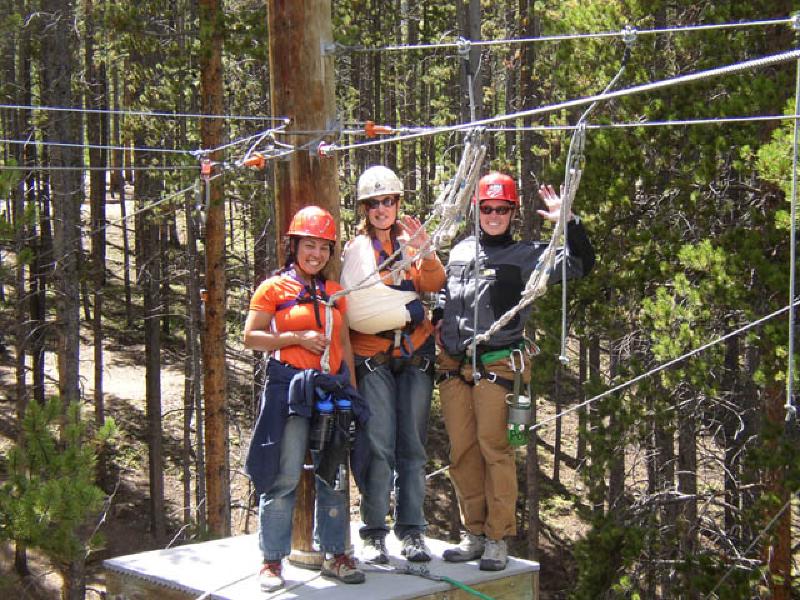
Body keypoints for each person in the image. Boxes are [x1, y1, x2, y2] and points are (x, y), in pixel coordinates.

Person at [436, 172, 595, 571]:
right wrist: (438, 315)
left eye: (501, 209)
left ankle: (497, 537)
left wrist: (569, 221)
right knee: (462, 453)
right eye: (486, 208)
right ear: (477, 211)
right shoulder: (459, 252)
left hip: (497, 365)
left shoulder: (526, 256)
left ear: (511, 213)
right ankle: (472, 533)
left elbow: (579, 265)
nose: (493, 216)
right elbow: (446, 296)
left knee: (495, 450)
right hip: (455, 367)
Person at [244, 205, 368, 592]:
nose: (315, 254)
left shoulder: (334, 293)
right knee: (283, 474)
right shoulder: (273, 288)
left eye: (323, 248)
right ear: (294, 246)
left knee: (333, 472)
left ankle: (336, 552)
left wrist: (351, 388)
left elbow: (344, 341)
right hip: (290, 388)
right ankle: (271, 560)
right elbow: (250, 337)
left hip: (330, 390)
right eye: (308, 245)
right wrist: (294, 338)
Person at [339, 165, 446, 564]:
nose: (382, 209)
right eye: (374, 203)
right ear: (365, 209)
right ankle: (373, 531)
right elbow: (350, 304)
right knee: (379, 445)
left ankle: (413, 531)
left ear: (398, 203)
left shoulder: (411, 242)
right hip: (373, 356)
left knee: (413, 447)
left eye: (388, 201)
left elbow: (434, 284)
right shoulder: (356, 250)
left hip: (414, 352)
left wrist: (427, 252)